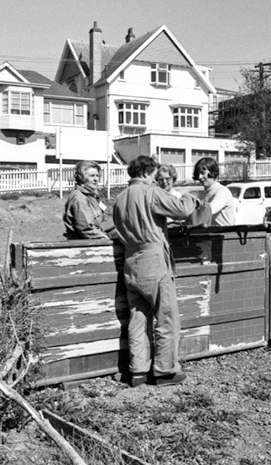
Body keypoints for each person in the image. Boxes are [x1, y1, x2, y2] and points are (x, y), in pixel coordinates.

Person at [113, 155, 198, 387]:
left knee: (137, 319)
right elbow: (181, 210)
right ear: (149, 172)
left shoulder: (120, 198)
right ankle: (164, 370)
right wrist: (191, 197)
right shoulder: (151, 192)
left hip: (131, 262)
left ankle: (138, 372)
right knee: (166, 318)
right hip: (154, 262)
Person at [63, 161, 113, 239]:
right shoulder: (79, 197)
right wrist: (105, 239)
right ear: (81, 178)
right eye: (92, 176)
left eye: (97, 175)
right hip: (84, 243)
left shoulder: (92, 195)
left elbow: (104, 217)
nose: (96, 179)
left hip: (97, 233)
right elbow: (86, 230)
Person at [194, 157, 235, 226]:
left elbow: (209, 210)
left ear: (213, 172)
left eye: (203, 173)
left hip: (226, 234)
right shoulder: (202, 194)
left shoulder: (222, 191)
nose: (200, 177)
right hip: (211, 234)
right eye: (198, 174)